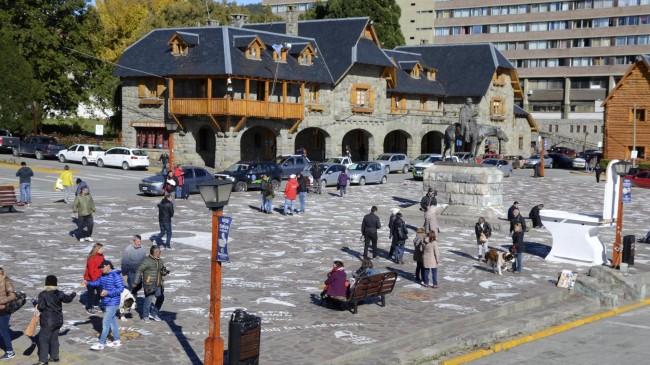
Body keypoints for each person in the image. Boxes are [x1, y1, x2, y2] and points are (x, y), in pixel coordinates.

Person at [35, 275, 76, 365]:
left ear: (46, 283)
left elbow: (41, 307)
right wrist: (73, 294)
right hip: (58, 320)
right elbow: (68, 299)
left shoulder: (43, 294)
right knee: (54, 338)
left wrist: (35, 303)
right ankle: (54, 357)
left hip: (48, 321)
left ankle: (43, 360)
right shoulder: (59, 293)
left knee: (43, 339)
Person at [87, 260, 124, 351]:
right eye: (100, 268)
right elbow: (97, 283)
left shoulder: (116, 276)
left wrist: (108, 292)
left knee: (105, 323)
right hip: (106, 302)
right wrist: (88, 283)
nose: (101, 269)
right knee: (113, 322)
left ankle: (101, 344)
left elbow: (121, 289)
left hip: (113, 303)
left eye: (102, 267)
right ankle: (117, 340)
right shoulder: (103, 276)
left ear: (108, 266)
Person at [134, 246, 167, 322]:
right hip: (149, 284)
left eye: (160, 251)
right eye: (158, 251)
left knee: (161, 298)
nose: (160, 253)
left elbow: (162, 270)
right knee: (148, 300)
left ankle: (153, 314)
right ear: (154, 252)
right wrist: (136, 281)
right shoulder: (147, 261)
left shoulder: (160, 260)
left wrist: (164, 272)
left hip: (159, 284)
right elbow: (139, 270)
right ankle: (145, 316)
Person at [83, 243, 105, 314]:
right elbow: (91, 271)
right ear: (97, 249)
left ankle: (96, 305)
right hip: (91, 279)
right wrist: (95, 279)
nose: (103, 250)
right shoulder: (92, 258)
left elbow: (103, 266)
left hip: (99, 278)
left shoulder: (101, 256)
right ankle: (89, 307)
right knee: (91, 294)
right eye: (101, 249)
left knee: (100, 293)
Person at [0, 267, 16, 360]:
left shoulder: (5, 280)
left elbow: (13, 295)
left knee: (4, 330)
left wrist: (1, 301)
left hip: (4, 310)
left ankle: (10, 352)